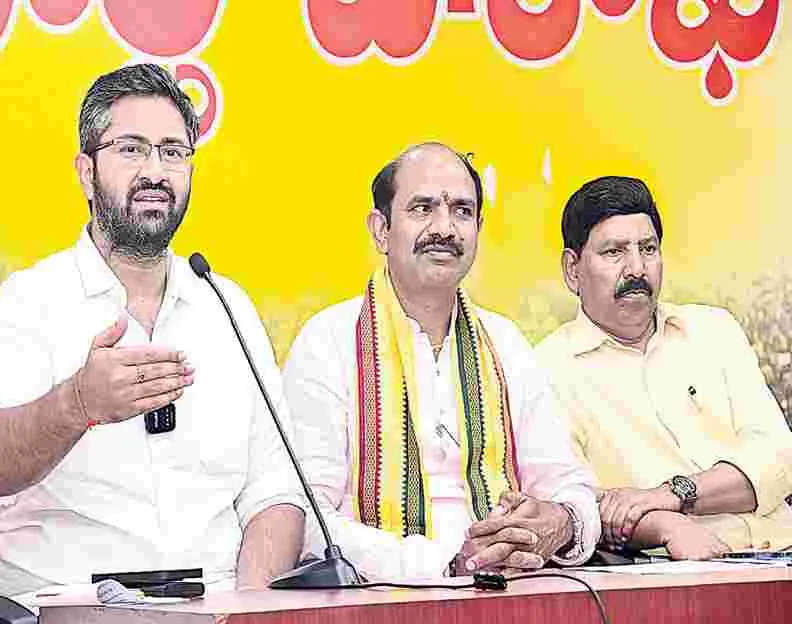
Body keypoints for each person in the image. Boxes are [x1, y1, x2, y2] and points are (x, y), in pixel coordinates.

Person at [0, 63, 306, 600]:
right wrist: (78, 403)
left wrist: (247, 611)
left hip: (213, 608)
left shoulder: (225, 306)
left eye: (173, 152)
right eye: (132, 149)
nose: (156, 171)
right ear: (86, 172)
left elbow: (277, 491)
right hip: (65, 608)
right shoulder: (31, 300)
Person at [283, 142, 600, 579]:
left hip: (510, 590)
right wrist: (444, 563)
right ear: (381, 229)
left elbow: (571, 487)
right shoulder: (328, 343)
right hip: (382, 599)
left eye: (462, 211)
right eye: (423, 208)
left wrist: (559, 524)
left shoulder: (505, 343)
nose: (445, 228)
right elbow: (303, 519)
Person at [536, 176, 792, 556]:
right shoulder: (547, 370)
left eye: (648, 249)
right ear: (573, 269)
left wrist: (672, 494)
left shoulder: (713, 330)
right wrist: (668, 525)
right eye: (614, 252)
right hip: (670, 570)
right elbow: (578, 504)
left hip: (783, 549)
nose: (637, 269)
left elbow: (778, 454)